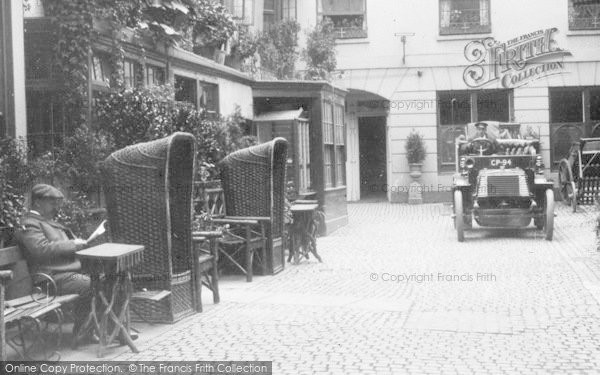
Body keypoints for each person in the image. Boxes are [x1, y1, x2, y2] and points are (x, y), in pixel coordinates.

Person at [16, 184, 93, 341]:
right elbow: (40, 249)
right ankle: (83, 333)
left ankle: (109, 329)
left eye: (57, 203)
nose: (56, 208)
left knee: (112, 277)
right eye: (52, 203)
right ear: (38, 202)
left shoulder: (48, 222)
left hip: (66, 275)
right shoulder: (30, 223)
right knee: (92, 283)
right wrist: (73, 244)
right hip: (49, 279)